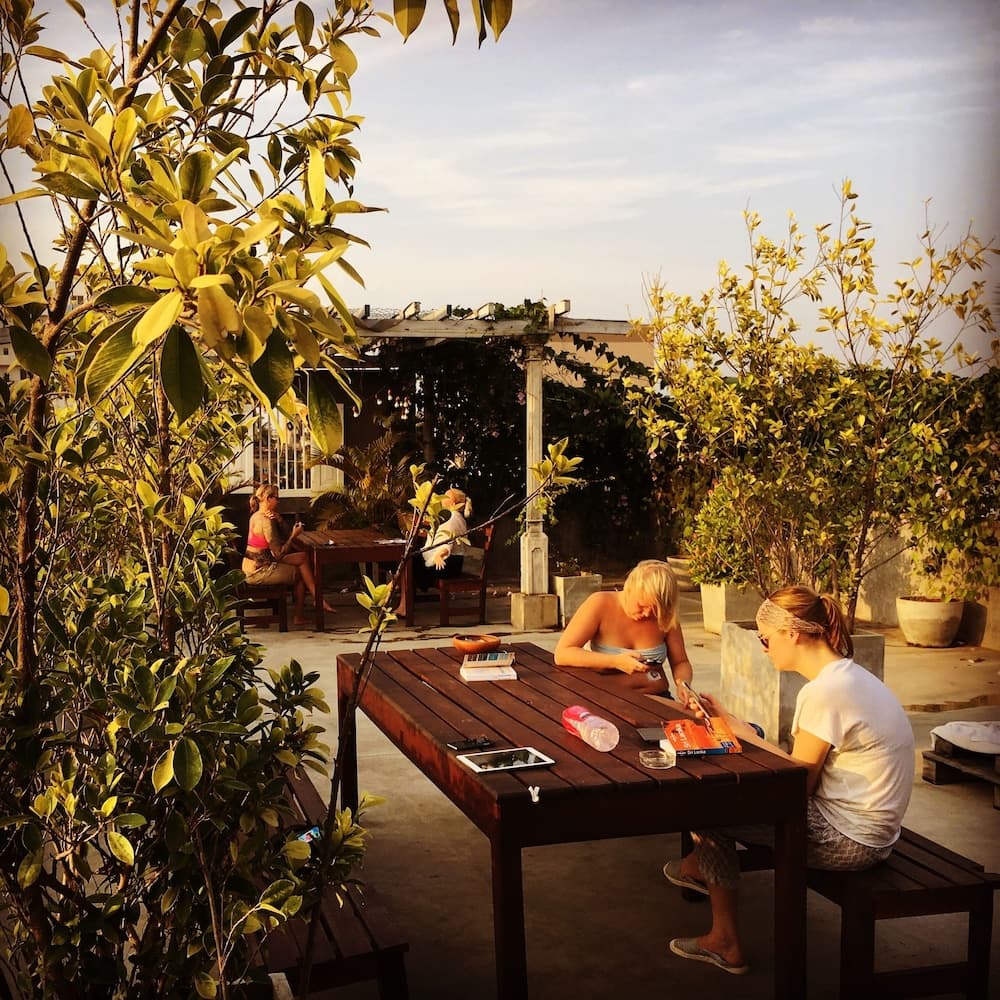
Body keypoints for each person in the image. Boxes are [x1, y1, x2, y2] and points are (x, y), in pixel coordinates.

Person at [664, 585, 915, 976]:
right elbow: (801, 765)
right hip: (875, 830)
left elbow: (798, 788)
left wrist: (740, 751)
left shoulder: (824, 693)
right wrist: (734, 725)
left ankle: (723, 937)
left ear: (792, 634)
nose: (764, 649)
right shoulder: (849, 677)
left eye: (766, 639)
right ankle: (701, 867)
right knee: (724, 805)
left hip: (850, 841)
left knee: (708, 812)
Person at [553, 559, 694, 697]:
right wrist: (614, 662)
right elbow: (563, 653)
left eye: (655, 609)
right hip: (609, 697)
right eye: (642, 605)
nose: (647, 614)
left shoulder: (666, 617)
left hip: (656, 695)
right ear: (629, 589)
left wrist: (683, 685)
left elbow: (680, 662)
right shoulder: (600, 603)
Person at [243, 483, 335, 625]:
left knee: (303, 557)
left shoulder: (256, 516)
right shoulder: (265, 521)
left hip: (257, 564)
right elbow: (278, 554)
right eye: (276, 498)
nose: (278, 501)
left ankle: (317, 599)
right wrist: (293, 536)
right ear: (268, 499)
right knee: (301, 573)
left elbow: (278, 544)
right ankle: (305, 610)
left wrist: (279, 520)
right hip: (259, 571)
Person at [415, 488, 473, 591]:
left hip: (448, 564)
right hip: (452, 562)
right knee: (413, 559)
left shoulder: (453, 518)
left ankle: (401, 592)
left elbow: (447, 540)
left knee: (411, 562)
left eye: (446, 497)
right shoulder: (453, 516)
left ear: (453, 503)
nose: (442, 499)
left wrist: (439, 555)